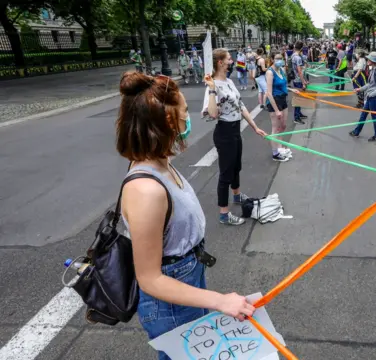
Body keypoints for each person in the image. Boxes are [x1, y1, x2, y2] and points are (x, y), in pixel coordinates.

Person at [116, 72, 256, 360]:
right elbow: (150, 279)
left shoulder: (161, 163)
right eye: (183, 111)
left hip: (187, 282)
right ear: (169, 121)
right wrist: (221, 301)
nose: (187, 118)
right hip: (170, 302)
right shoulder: (146, 190)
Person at [202, 49, 268, 225]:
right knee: (225, 173)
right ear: (220, 63)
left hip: (235, 130)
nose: (232, 62)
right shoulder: (213, 85)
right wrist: (212, 91)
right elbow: (213, 114)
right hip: (224, 132)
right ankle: (224, 214)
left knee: (236, 166)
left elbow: (241, 105)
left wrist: (255, 127)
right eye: (229, 59)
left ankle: (237, 196)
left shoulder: (229, 81)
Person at [348, 51, 376, 142]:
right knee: (363, 115)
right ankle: (357, 131)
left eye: (368, 59)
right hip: (370, 97)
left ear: (373, 60)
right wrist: (359, 89)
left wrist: (371, 94)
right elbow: (369, 84)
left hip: (374, 98)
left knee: (374, 117)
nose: (367, 60)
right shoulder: (373, 69)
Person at [265, 51, 294, 162]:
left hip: (283, 99)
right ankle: (275, 153)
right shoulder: (270, 73)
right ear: (272, 59)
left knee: (283, 126)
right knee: (276, 129)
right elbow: (268, 93)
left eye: (281, 58)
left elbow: (284, 85)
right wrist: (276, 110)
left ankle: (280, 147)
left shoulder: (281, 70)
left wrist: (291, 89)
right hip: (274, 101)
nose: (279, 60)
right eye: (277, 58)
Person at [291, 41, 308, 125]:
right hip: (298, 80)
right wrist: (303, 82)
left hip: (295, 79)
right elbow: (299, 71)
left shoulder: (294, 55)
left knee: (299, 98)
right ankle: (296, 117)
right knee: (298, 99)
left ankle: (299, 114)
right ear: (301, 48)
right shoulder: (297, 57)